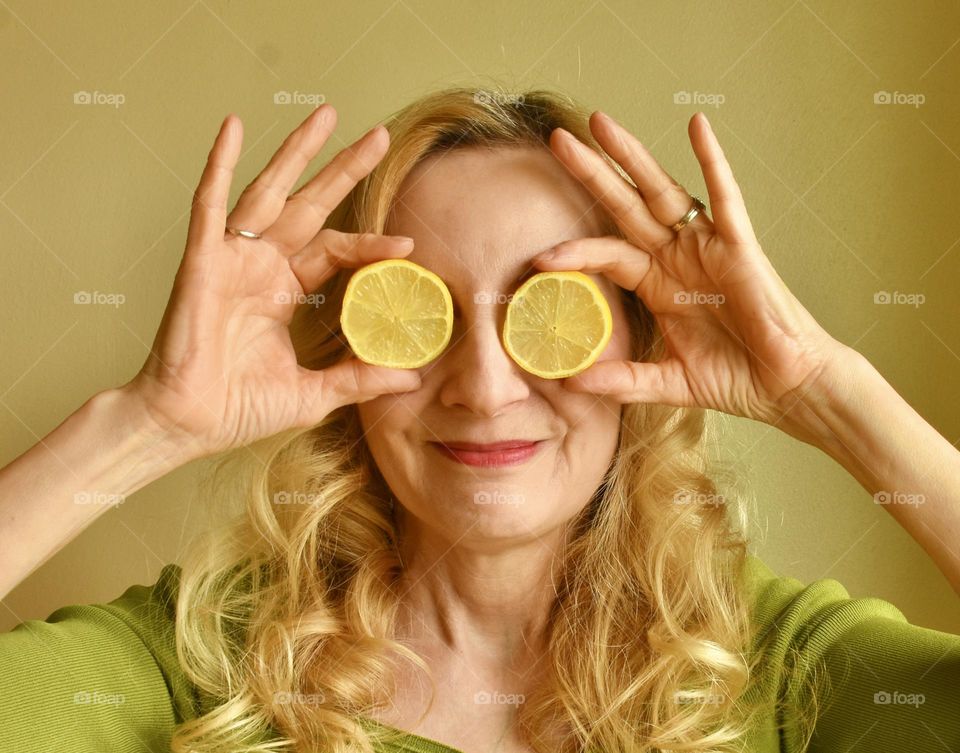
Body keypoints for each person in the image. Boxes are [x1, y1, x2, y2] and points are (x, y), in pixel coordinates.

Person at [1, 85, 958, 753]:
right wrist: (152, 420)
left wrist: (824, 391)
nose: (485, 385)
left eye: (550, 309)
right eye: (427, 312)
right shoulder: (208, 663)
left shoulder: (772, 670)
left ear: (645, 337)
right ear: (350, 347)